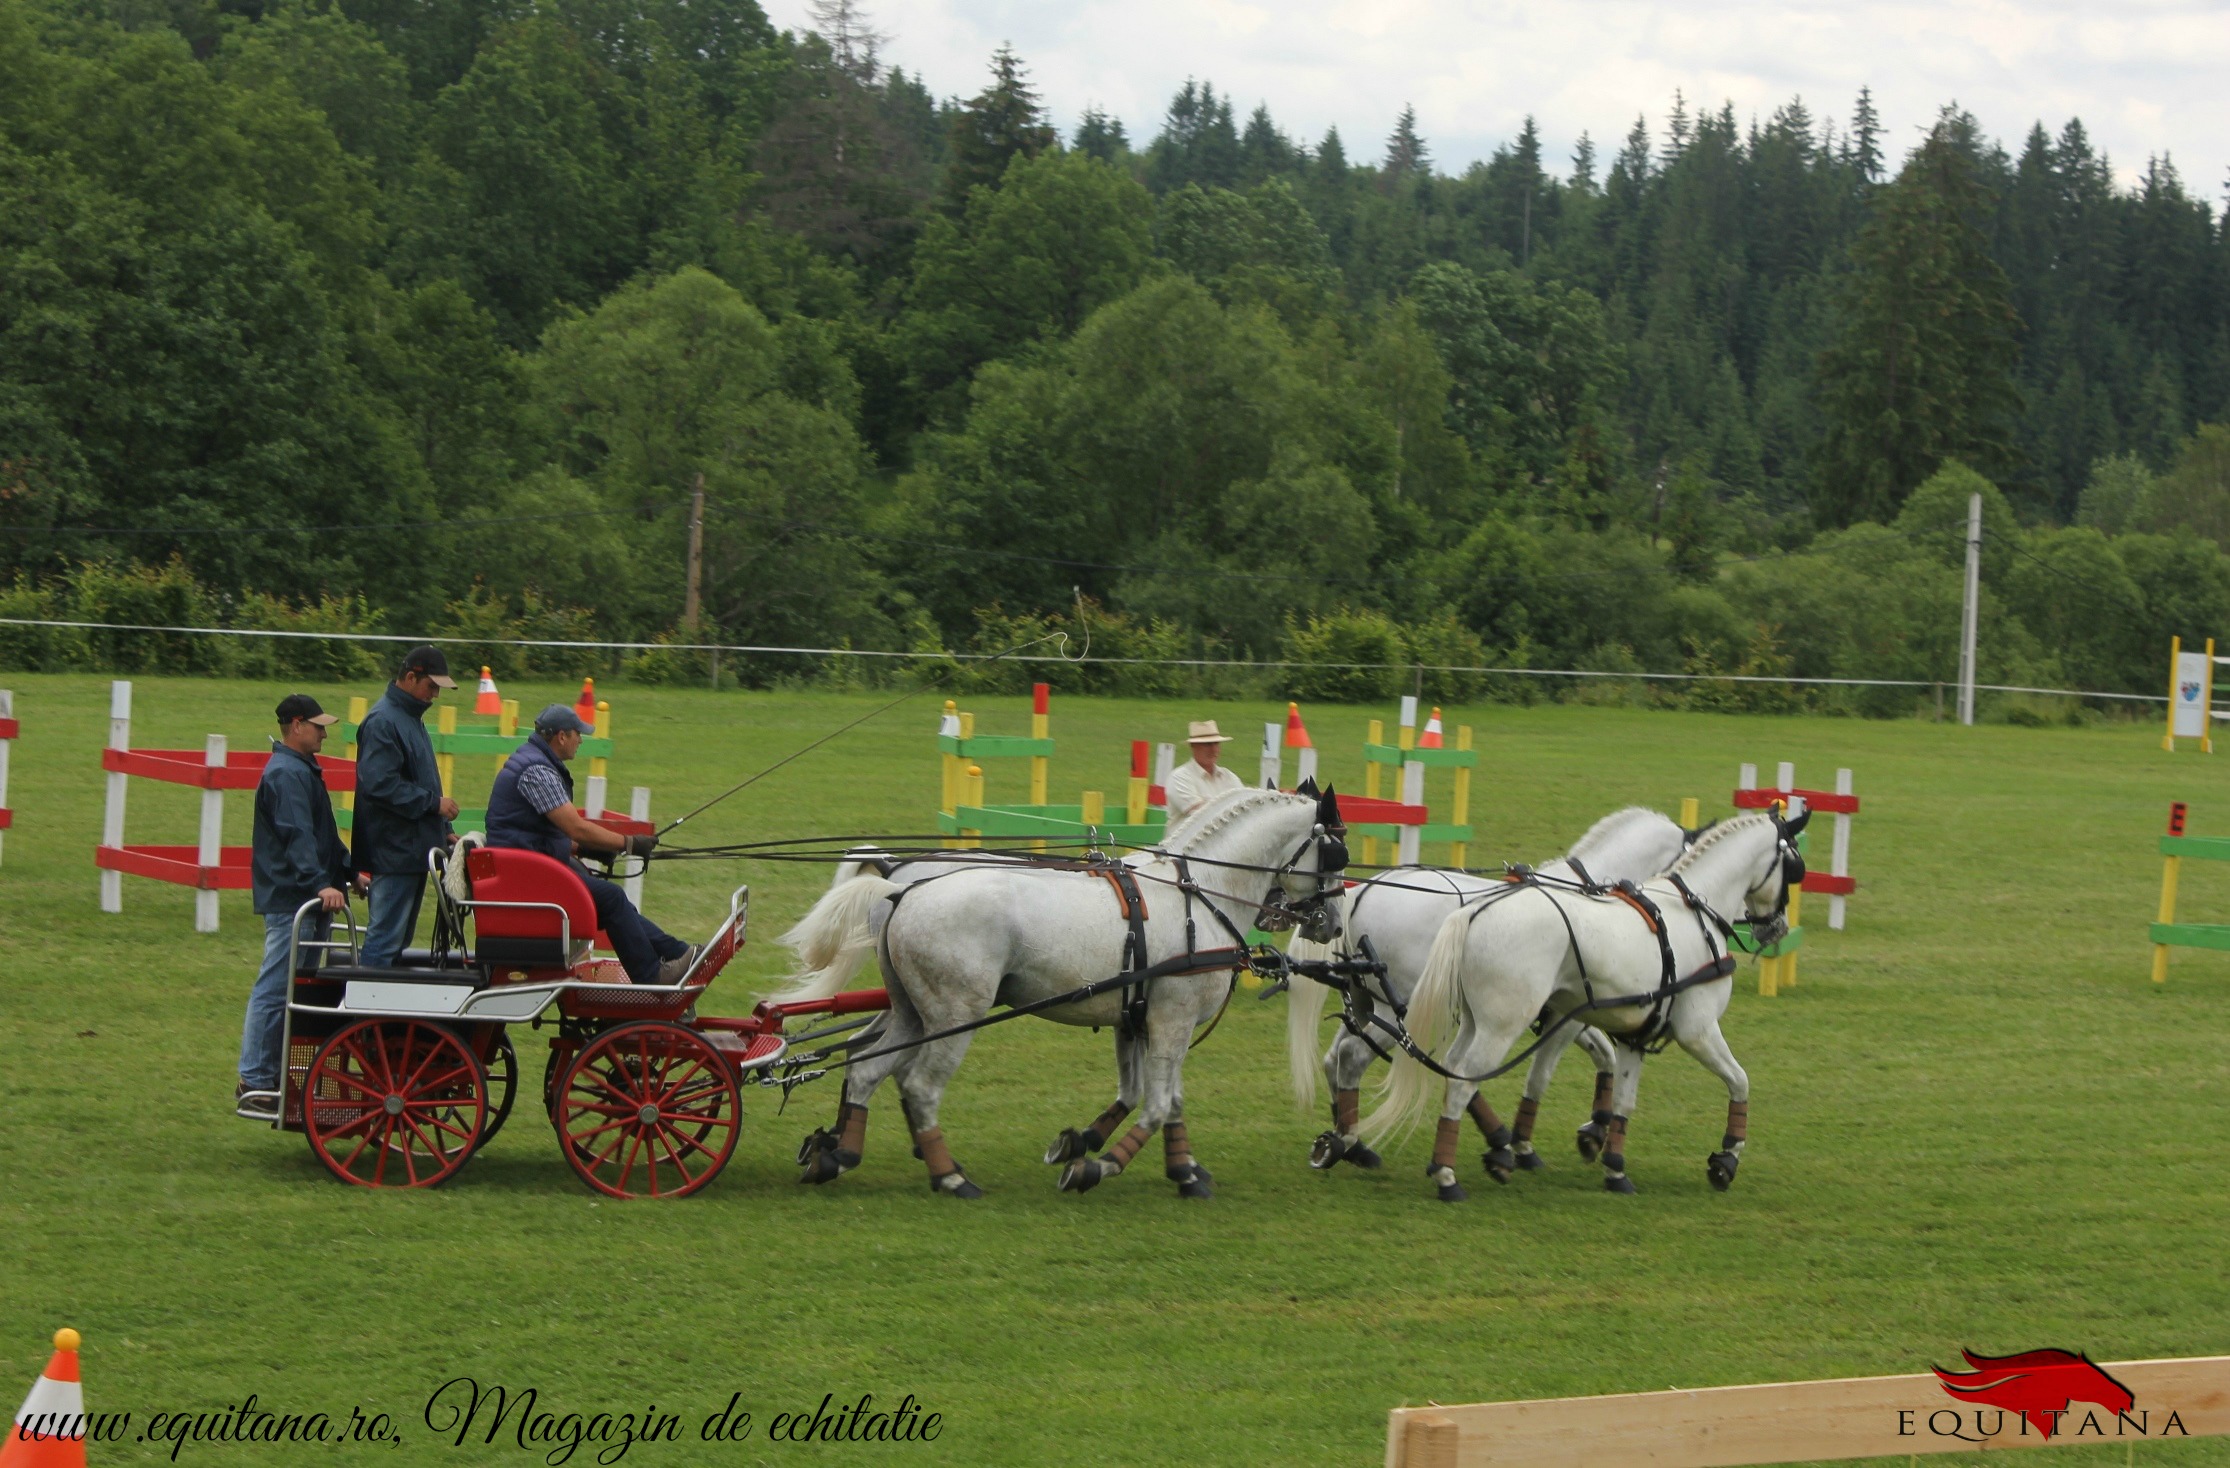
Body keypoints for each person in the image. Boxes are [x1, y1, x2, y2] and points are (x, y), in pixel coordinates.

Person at [483, 704, 697, 985]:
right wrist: (629, 843)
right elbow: (576, 826)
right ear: (561, 736)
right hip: (526, 879)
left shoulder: (532, 760)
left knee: (612, 901)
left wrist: (583, 850)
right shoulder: (537, 772)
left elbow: (535, 831)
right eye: (577, 735)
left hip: (527, 869)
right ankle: (652, 975)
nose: (580, 741)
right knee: (611, 898)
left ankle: (677, 953)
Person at [239, 694, 353, 1116]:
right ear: (297, 725)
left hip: (304, 894)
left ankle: (270, 1075)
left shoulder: (300, 769)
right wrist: (321, 884)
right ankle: (254, 1076)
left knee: (291, 986)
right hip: (294, 898)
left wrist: (347, 871)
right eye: (319, 725)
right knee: (276, 987)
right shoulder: (287, 774)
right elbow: (297, 837)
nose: (325, 732)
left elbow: (322, 834)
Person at [354, 645, 459, 967]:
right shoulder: (384, 721)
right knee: (385, 941)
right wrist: (434, 805)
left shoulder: (407, 717)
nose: (435, 695)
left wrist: (445, 831)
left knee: (396, 941)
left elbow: (420, 778)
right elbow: (379, 784)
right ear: (411, 677)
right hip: (394, 850)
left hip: (410, 848)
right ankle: (365, 1006)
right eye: (432, 686)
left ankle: (378, 1011)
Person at [1164, 718, 1245, 821]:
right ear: (1193, 746)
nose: (1214, 749)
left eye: (1216, 743)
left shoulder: (1228, 776)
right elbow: (1201, 816)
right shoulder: (1179, 777)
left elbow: (1245, 807)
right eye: (1207, 744)